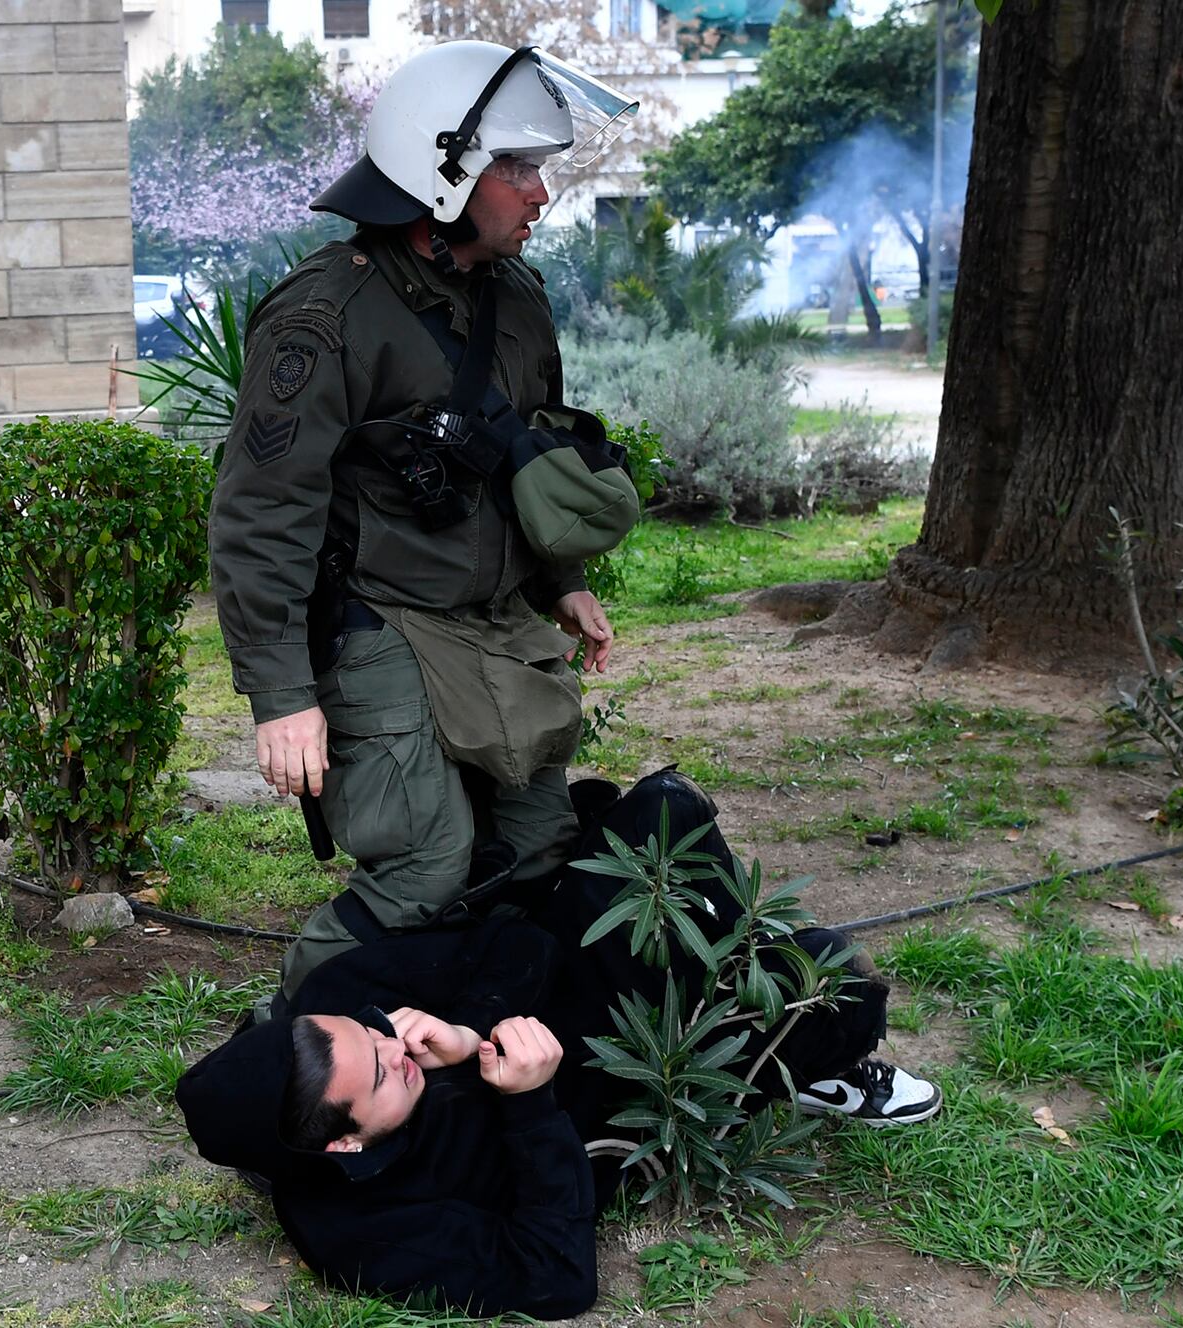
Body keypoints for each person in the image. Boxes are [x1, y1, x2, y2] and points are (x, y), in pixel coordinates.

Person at [206, 41, 647, 998]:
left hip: (490, 621)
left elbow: (524, 454)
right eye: (517, 169)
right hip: (379, 615)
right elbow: (262, 512)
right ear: (439, 171)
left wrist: (562, 582)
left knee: (536, 846)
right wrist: (281, 696)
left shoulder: (518, 300)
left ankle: (457, 1031)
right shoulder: (326, 317)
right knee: (426, 863)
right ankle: (294, 1049)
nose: (540, 194)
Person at [176, 769, 943, 1319]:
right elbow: (556, 1280)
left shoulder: (339, 1000)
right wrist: (529, 1106)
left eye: (373, 1032)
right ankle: (795, 1065)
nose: (394, 1046)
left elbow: (516, 946)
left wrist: (469, 1027)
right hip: (626, 1091)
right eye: (381, 1075)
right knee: (833, 980)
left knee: (663, 809)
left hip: (575, 979)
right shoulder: (359, 1236)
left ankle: (735, 966)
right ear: (344, 1145)